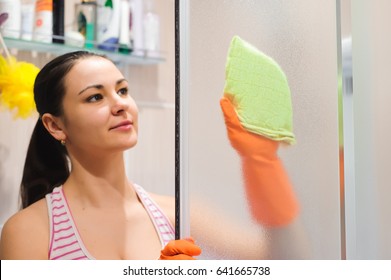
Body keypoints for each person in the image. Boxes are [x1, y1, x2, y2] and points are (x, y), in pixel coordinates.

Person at [0, 51, 305, 260]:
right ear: (55, 125)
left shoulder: (180, 215)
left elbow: (281, 259)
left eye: (122, 90)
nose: (120, 104)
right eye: (95, 97)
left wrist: (261, 164)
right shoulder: (30, 231)